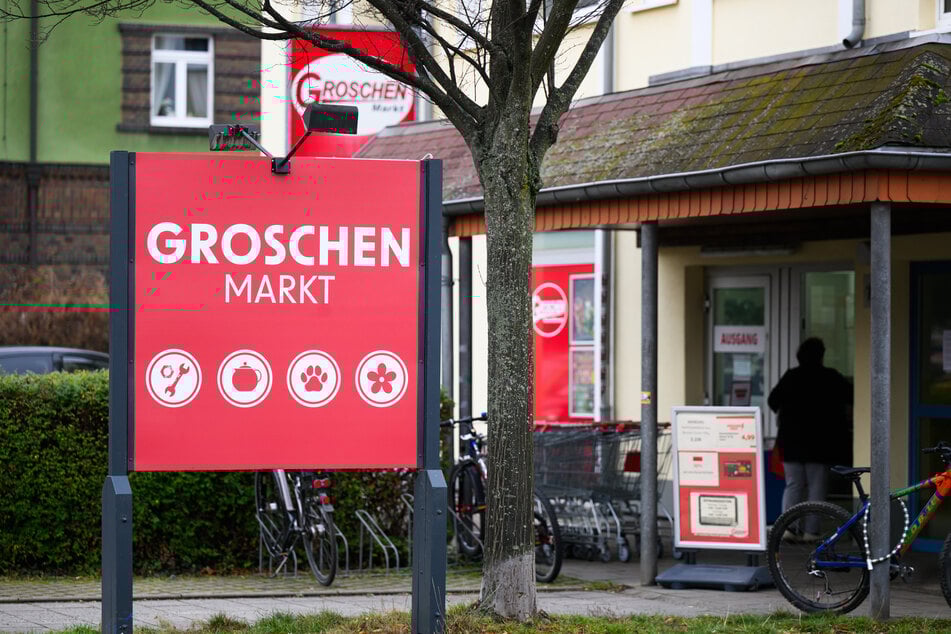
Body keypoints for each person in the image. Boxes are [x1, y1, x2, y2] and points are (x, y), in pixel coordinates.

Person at [768, 337, 852, 539]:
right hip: (819, 443)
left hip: (791, 442)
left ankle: (789, 528)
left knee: (793, 485)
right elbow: (851, 396)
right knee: (817, 487)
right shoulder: (830, 377)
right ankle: (811, 531)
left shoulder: (791, 376)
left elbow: (772, 401)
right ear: (821, 355)